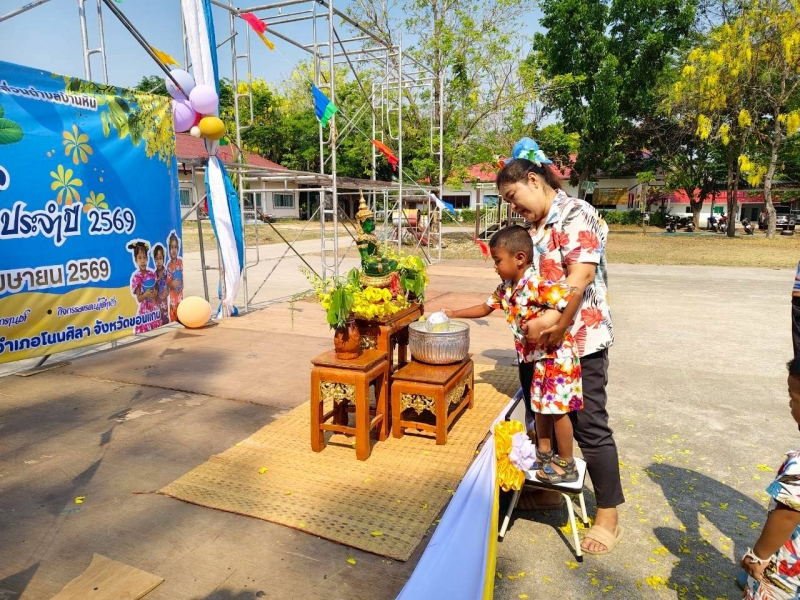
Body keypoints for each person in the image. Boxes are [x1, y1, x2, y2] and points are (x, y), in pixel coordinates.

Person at [497, 140, 623, 555]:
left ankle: (608, 514)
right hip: (536, 348)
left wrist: (554, 321)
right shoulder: (531, 228)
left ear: (533, 180)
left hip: (578, 342)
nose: (513, 206)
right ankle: (551, 489)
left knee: (589, 426)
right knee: (542, 419)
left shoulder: (576, 213)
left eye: (513, 196)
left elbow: (580, 277)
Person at [443, 225, 583, 482]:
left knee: (557, 410)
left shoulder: (536, 285)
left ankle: (567, 463)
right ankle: (544, 453)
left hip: (556, 356)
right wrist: (454, 314)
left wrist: (559, 328)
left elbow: (573, 296)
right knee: (538, 406)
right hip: (536, 359)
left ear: (519, 258)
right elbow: (484, 308)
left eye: (498, 260)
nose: (495, 266)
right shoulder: (506, 289)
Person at [740, 357, 800, 599]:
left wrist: (758, 556)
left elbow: (788, 513)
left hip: (787, 573)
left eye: (793, 398)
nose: (790, 404)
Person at [128, 241, 159, 335]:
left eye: (145, 257)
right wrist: (145, 295)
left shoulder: (152, 274)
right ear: (135, 260)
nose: (142, 261)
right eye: (140, 258)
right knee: (146, 333)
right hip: (145, 312)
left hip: (154, 310)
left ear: (147, 258)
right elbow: (139, 298)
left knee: (156, 332)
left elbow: (156, 289)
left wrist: (155, 293)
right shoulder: (137, 277)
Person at [166, 232, 184, 322]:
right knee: (174, 321)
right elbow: (168, 283)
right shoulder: (169, 266)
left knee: (181, 318)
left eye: (175, 247)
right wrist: (172, 284)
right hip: (173, 301)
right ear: (169, 249)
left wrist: (181, 284)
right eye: (172, 247)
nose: (174, 250)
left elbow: (182, 277)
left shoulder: (181, 262)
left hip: (181, 299)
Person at [152, 243, 170, 326]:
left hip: (164, 305)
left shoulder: (166, 273)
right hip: (156, 306)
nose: (158, 262)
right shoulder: (153, 275)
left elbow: (169, 286)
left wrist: (167, 292)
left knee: (165, 321)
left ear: (163, 258)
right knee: (157, 323)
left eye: (160, 258)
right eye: (156, 259)